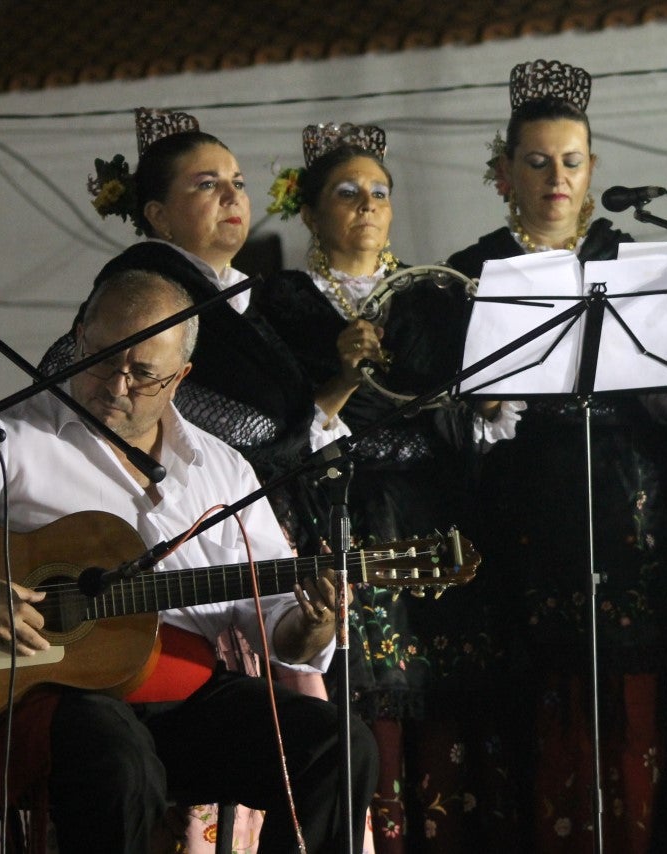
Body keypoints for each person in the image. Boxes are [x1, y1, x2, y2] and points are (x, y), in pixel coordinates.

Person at [0, 270, 377, 853]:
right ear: (77, 338)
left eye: (143, 373)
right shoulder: (15, 440)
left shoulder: (222, 468)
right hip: (59, 697)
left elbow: (278, 623)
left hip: (189, 699)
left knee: (339, 746)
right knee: (120, 761)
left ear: (180, 376)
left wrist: (312, 623)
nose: (116, 384)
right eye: (101, 358)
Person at [447, 58, 667, 852]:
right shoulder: (469, 272)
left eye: (571, 161)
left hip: (630, 510)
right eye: (537, 162)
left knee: (635, 706)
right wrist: (482, 408)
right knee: (536, 710)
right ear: (504, 173)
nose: (556, 178)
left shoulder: (636, 261)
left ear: (592, 169)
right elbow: (443, 421)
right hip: (523, 513)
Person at [257, 122, 517, 852]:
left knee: (450, 698)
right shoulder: (282, 304)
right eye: (347, 192)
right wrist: (342, 374)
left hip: (436, 511)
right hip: (343, 512)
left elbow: (467, 416)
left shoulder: (435, 296)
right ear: (311, 213)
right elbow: (282, 432)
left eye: (379, 191)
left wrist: (489, 405)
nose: (367, 204)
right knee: (368, 694)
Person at [42, 107, 339, 555]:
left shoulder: (249, 296)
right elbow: (70, 371)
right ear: (159, 216)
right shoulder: (145, 283)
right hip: (171, 507)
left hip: (263, 514)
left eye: (238, 183)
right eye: (207, 185)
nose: (231, 196)